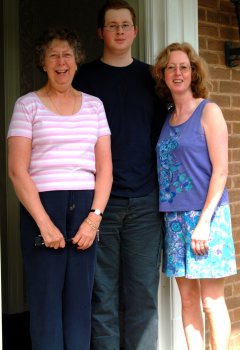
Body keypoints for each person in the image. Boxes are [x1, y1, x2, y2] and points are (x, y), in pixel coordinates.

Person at [7, 27, 112, 350]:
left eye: (67, 55)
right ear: (43, 62)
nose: (61, 62)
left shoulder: (94, 106)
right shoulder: (27, 106)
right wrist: (44, 222)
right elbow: (16, 170)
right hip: (43, 209)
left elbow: (105, 169)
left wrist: (94, 219)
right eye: (53, 55)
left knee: (80, 303)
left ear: (77, 62)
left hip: (85, 210)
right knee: (45, 302)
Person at [73, 1, 166, 349]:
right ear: (101, 32)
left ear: (135, 31)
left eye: (125, 25)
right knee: (102, 297)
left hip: (144, 200)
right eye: (112, 26)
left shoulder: (151, 78)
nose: (120, 31)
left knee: (143, 295)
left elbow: (163, 136)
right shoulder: (84, 78)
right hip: (100, 203)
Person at [152, 42, 237, 350]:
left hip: (208, 218)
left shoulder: (208, 110)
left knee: (211, 302)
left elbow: (221, 172)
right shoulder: (167, 118)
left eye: (183, 67)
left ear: (193, 72)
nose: (177, 72)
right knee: (187, 301)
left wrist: (203, 223)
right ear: (163, 75)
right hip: (173, 219)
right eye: (171, 67)